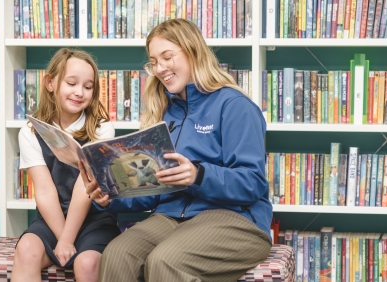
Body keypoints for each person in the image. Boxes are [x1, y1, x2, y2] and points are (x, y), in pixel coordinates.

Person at [82, 18, 272, 282]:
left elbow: (252, 183)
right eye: (153, 62)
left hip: (234, 218)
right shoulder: (164, 114)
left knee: (165, 261)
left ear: (193, 50)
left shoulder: (234, 105)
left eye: (167, 57)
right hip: (171, 215)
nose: (160, 68)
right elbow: (151, 192)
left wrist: (198, 175)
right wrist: (111, 196)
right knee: (117, 253)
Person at [12, 48, 120, 282]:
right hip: (52, 219)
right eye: (71, 83)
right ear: (50, 83)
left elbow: (85, 188)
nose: (79, 92)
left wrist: (68, 241)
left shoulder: (102, 129)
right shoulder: (30, 132)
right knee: (26, 250)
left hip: (95, 220)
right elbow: (44, 190)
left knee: (87, 263)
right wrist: (62, 239)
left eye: (88, 87)